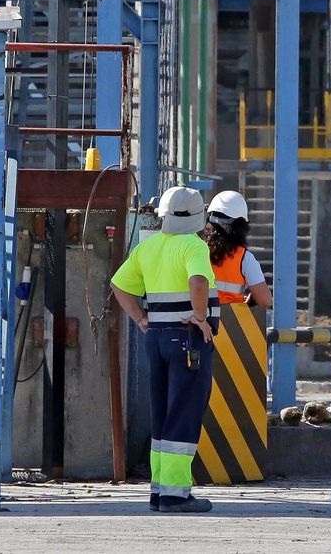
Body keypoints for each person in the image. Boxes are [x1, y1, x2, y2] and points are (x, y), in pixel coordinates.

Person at [110, 186, 219, 513]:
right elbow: (198, 283)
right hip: (187, 339)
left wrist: (141, 318)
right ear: (200, 217)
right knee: (184, 413)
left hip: (156, 338)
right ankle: (175, 495)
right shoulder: (194, 245)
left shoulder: (149, 245)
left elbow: (118, 284)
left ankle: (160, 491)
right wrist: (201, 318)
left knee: (162, 413)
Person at [206, 189, 272, 308]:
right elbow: (265, 301)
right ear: (241, 227)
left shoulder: (195, 250)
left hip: (197, 318)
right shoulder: (245, 258)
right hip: (231, 321)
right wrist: (252, 299)